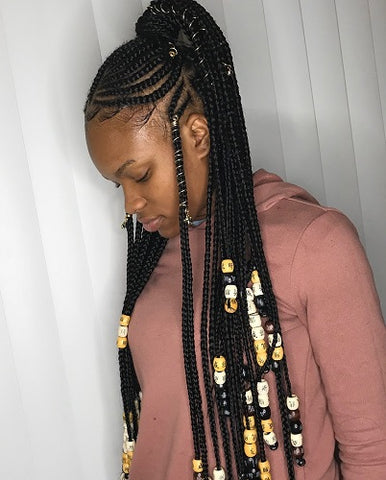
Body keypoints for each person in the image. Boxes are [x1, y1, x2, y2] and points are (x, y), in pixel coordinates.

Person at [84, 1, 386, 479]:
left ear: (197, 135)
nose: (129, 205)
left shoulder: (315, 245)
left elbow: (374, 453)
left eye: (139, 175)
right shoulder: (153, 253)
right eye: (116, 185)